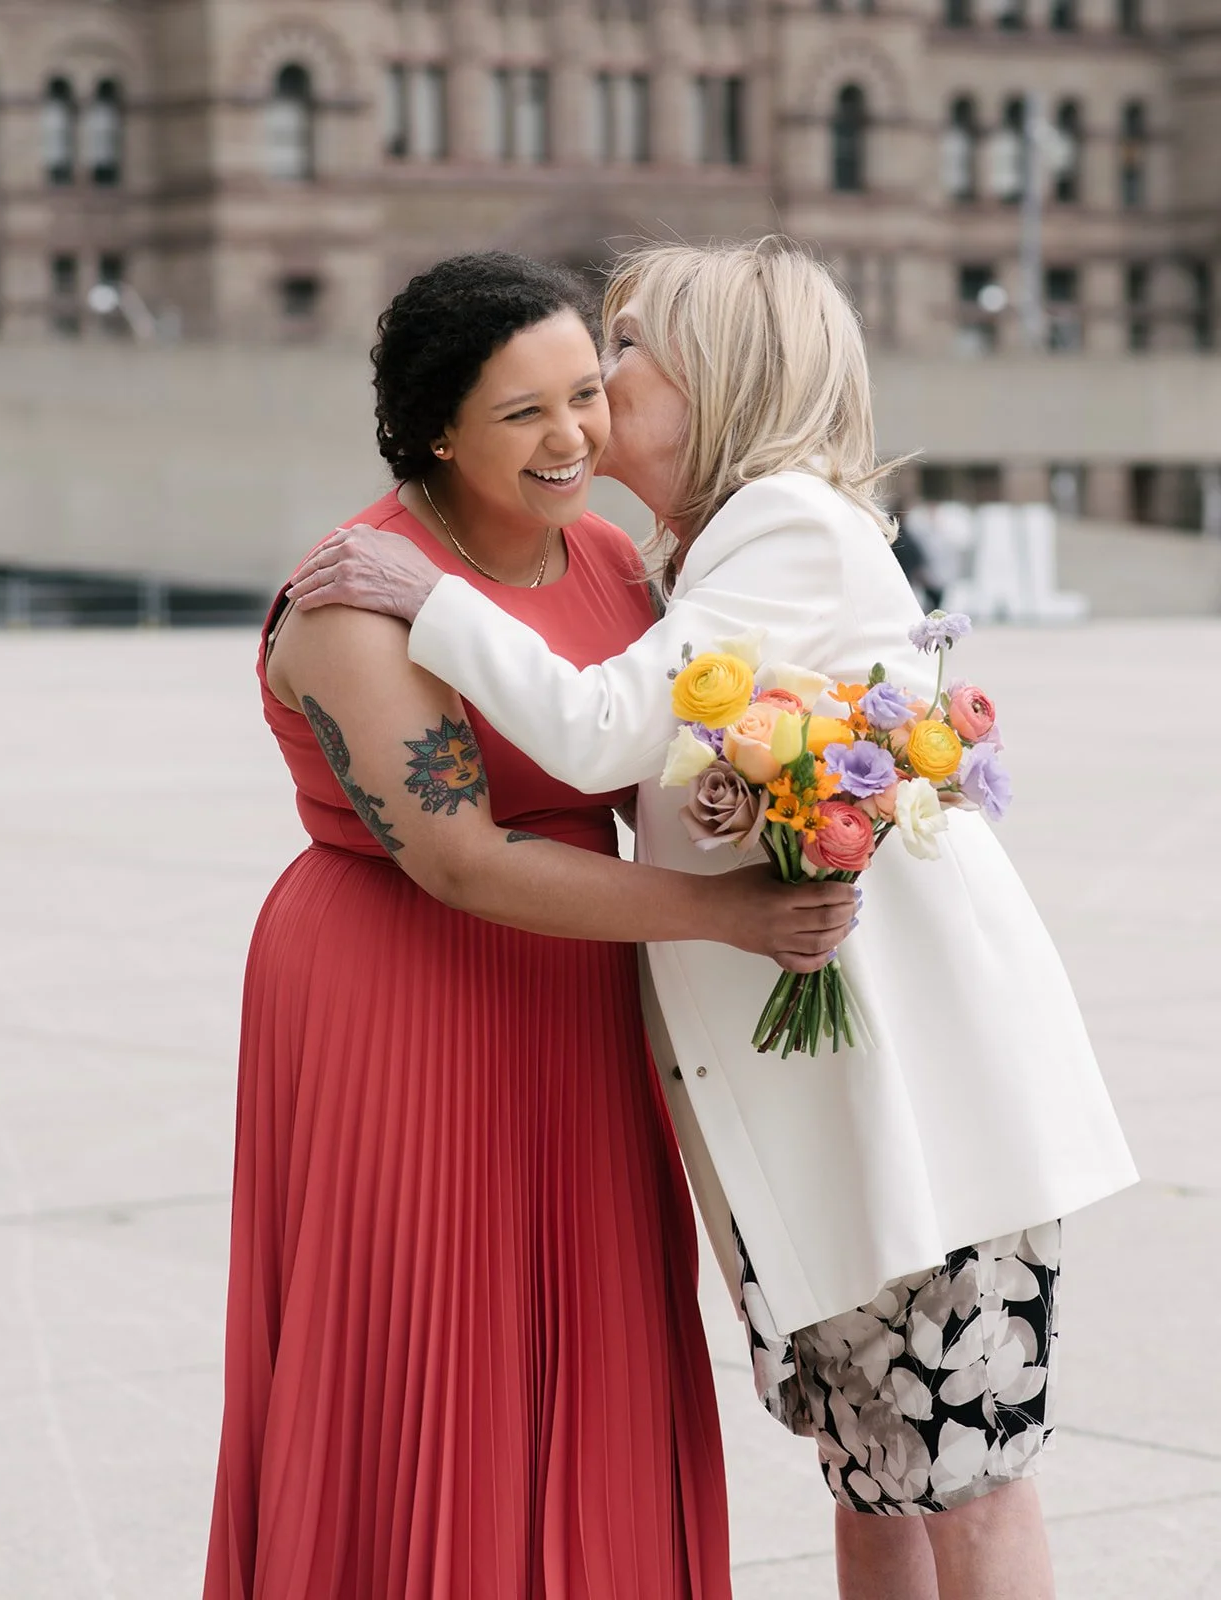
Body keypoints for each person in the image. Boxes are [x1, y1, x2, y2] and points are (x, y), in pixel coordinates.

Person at [288, 238, 1138, 1600]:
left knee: (967, 1484)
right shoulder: (704, 551)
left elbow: (598, 731)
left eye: (625, 352)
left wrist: (429, 599)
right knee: (872, 1478)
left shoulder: (789, 525)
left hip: (918, 1108)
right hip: (828, 1120)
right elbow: (687, 757)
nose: (594, 384)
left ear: (718, 377)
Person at [203, 250, 859, 1600]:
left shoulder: (615, 555)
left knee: (598, 1328)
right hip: (406, 991)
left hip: (583, 998)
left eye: (585, 395)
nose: (572, 437)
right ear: (439, 428)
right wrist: (730, 917)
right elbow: (458, 860)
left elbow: (664, 750)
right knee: (431, 1343)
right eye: (523, 414)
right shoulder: (353, 596)